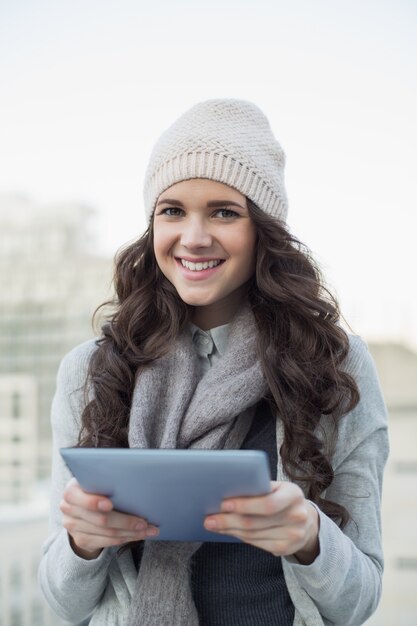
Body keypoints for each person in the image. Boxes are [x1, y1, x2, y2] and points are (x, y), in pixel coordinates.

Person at [39, 99, 389, 626]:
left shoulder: (334, 362)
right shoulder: (92, 370)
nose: (194, 236)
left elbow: (358, 602)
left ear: (262, 230)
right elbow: (63, 603)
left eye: (224, 211)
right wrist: (82, 544)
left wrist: (310, 539)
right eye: (172, 210)